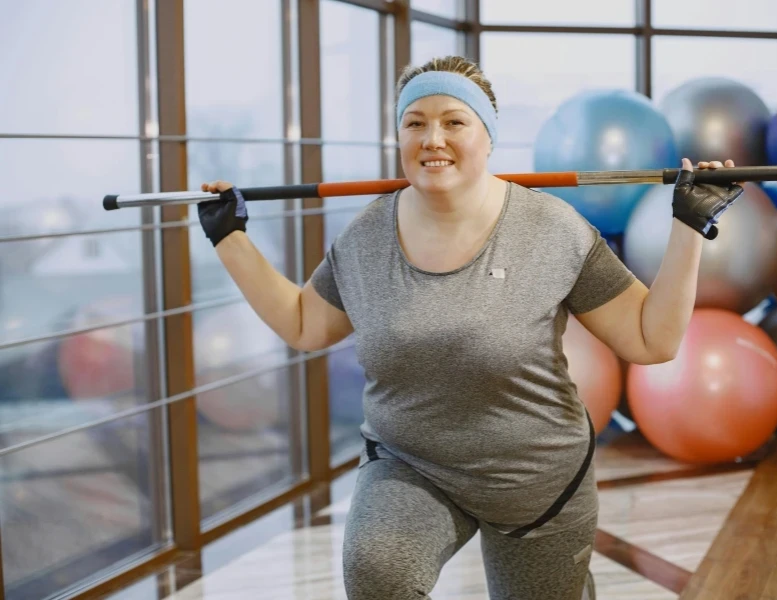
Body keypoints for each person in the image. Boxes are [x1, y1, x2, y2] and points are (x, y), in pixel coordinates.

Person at [196, 56, 743, 600]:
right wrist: (229, 239)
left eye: (454, 121)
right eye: (415, 123)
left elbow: (652, 339)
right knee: (378, 575)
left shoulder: (553, 229)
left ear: (488, 137)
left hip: (537, 483)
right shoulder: (367, 237)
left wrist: (689, 228)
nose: (433, 138)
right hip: (411, 467)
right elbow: (302, 324)